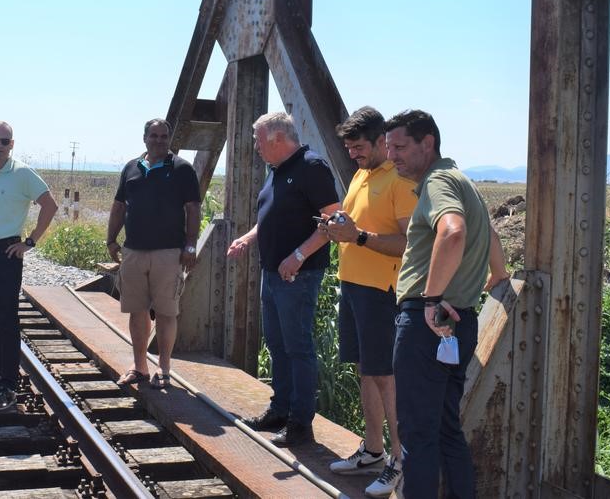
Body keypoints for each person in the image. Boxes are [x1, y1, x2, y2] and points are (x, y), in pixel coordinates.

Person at [384, 110, 509, 499]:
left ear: (428, 143)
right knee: (444, 429)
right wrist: (499, 272)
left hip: (430, 321)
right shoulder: (462, 181)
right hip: (460, 320)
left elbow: (453, 232)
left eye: (401, 147)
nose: (393, 157)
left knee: (417, 434)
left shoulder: (438, 181)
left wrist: (431, 298)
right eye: (389, 148)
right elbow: (485, 231)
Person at [227, 111, 340, 446]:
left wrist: (299, 255)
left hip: (298, 274)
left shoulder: (311, 167)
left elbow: (333, 222)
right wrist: (249, 237)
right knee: (277, 344)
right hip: (273, 272)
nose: (256, 147)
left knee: (298, 347)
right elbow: (272, 216)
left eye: (259, 140)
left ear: (277, 137)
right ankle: (280, 410)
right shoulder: (276, 172)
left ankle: (300, 423)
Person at [321, 107, 416, 495]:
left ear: (380, 141)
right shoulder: (362, 173)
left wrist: (357, 236)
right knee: (366, 371)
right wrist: (336, 230)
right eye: (349, 149)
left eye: (359, 147)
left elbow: (408, 243)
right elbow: (358, 227)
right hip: (355, 287)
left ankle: (399, 460)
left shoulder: (399, 179)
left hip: (382, 292)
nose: (353, 155)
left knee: (385, 377)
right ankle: (373, 451)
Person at [0, 121, 58, 412]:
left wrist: (29, 243)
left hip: (7, 252)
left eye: (5, 141)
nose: (0, 145)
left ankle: (9, 385)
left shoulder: (22, 172)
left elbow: (50, 205)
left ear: (12, 144)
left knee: (6, 317)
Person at [107, 119, 201, 390]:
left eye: (164, 136)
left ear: (169, 139)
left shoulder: (182, 169)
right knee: (136, 311)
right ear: (144, 138)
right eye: (154, 135)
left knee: (166, 313)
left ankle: (164, 369)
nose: (159, 140)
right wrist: (111, 240)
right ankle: (140, 368)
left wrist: (191, 245)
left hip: (169, 252)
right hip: (134, 250)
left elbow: (193, 208)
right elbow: (118, 206)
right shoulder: (131, 168)